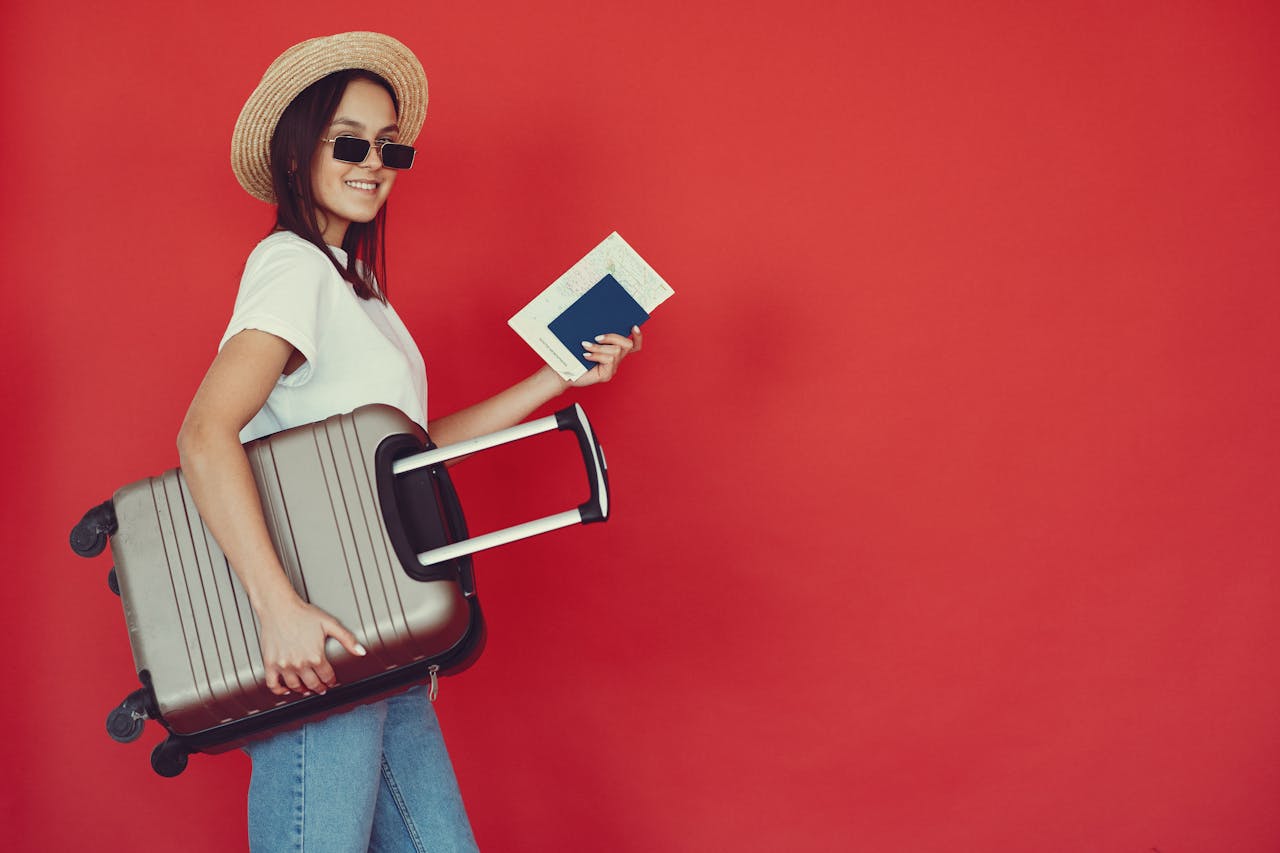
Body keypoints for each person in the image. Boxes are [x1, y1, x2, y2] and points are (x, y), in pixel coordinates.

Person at [176, 31, 641, 852]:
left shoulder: (358, 291)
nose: (374, 162)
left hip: (383, 638)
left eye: (390, 146)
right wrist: (278, 611)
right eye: (349, 141)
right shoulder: (293, 267)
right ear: (296, 155)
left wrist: (556, 377)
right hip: (323, 637)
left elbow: (412, 448)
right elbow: (204, 434)